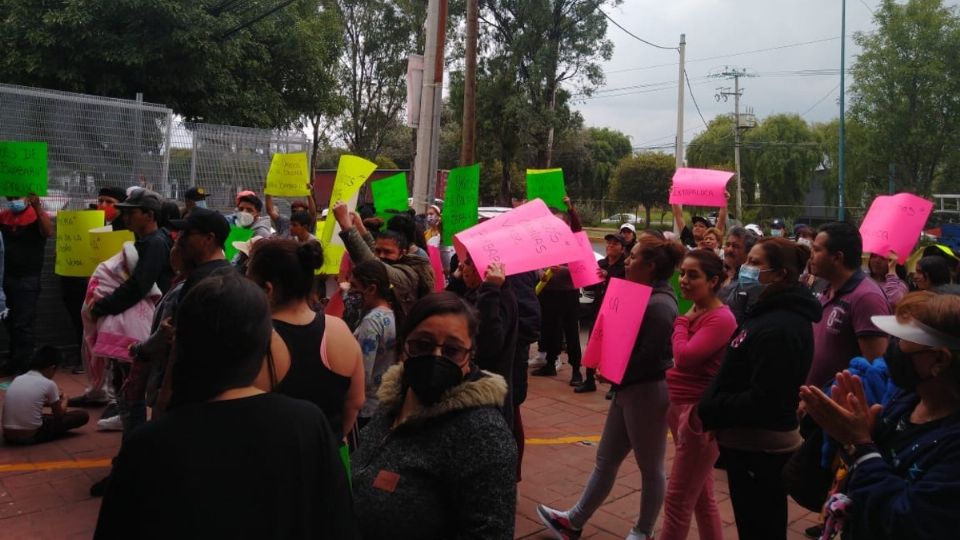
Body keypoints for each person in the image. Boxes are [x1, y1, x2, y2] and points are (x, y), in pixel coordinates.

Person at [94, 271, 358, 539]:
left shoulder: (147, 444)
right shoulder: (306, 424)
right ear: (265, 342)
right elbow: (338, 523)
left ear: (183, 346)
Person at [537, 235, 684, 540]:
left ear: (651, 266)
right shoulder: (640, 294)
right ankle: (573, 522)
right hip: (626, 388)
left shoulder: (659, 305)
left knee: (650, 466)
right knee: (606, 459)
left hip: (646, 392)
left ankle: (643, 531)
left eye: (634, 257)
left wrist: (616, 372)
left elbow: (651, 357)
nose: (628, 262)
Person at [351, 292, 517, 539]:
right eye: (422, 345)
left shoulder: (483, 434)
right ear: (404, 347)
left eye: (452, 350)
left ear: (469, 358)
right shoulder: (394, 401)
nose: (435, 357)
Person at [799, 292, 960, 540]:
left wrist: (861, 447)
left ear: (939, 359)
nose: (892, 348)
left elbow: (906, 521)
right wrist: (858, 436)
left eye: (902, 339)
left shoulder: (951, 444)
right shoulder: (907, 398)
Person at [698, 237, 822, 540]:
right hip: (744, 439)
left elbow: (766, 397)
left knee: (761, 526)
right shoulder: (765, 313)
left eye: (755, 263)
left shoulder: (781, 326)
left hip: (760, 445)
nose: (746, 268)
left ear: (780, 275)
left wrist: (713, 409)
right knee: (752, 522)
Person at [247, 238, 364, 441]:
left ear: (267, 289)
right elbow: (355, 401)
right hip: (327, 461)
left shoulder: (253, 337)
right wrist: (330, 441)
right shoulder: (339, 330)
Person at [661, 250, 737, 540]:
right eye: (683, 274)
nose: (684, 281)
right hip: (680, 407)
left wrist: (680, 324)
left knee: (677, 501)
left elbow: (685, 357)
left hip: (697, 415)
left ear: (714, 280)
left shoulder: (720, 318)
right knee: (702, 498)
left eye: (693, 275)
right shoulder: (696, 311)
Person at [807, 222, 891, 388]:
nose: (811, 256)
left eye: (817, 250)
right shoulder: (827, 288)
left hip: (838, 407)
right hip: (813, 404)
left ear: (837, 257)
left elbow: (875, 371)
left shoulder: (867, 297)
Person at [332, 202, 434, 314]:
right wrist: (360, 226)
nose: (381, 255)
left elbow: (374, 264)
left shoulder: (407, 274)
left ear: (403, 253)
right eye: (378, 251)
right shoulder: (396, 260)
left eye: (388, 252)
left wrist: (346, 226)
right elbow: (374, 252)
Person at [455, 258, 518, 428]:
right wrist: (456, 282)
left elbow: (489, 344)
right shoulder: (473, 292)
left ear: (481, 269)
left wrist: (490, 289)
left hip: (488, 389)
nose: (461, 266)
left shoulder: (498, 297)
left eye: (467, 263)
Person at [532, 196, 585, 385]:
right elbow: (537, 265)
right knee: (549, 328)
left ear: (567, 224)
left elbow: (581, 268)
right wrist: (541, 274)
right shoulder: (545, 242)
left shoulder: (573, 240)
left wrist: (571, 208)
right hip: (548, 291)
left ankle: (577, 371)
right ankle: (549, 363)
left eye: (560, 221)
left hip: (568, 293)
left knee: (571, 331)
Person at [0, 194, 53, 375]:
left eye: (18, 196)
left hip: (27, 278)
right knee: (10, 321)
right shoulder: (4, 216)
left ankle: (24, 365)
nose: (14, 200)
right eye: (11, 196)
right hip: (6, 277)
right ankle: (14, 361)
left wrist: (37, 206)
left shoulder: (36, 215)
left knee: (23, 323)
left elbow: (48, 232)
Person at [349, 260, 400, 429]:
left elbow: (363, 374)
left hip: (368, 408)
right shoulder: (394, 313)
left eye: (354, 286)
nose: (350, 291)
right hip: (388, 401)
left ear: (371, 289)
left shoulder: (371, 322)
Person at [2, 346, 89, 444]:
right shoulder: (48, 383)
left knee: (38, 416)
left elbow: (29, 403)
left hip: (8, 435)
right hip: (31, 436)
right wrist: (65, 399)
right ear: (52, 368)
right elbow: (59, 414)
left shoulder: (18, 379)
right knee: (81, 415)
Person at [577, 232, 628, 393]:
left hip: (616, 312)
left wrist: (608, 276)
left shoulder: (625, 267)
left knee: (613, 348)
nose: (610, 246)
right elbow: (592, 286)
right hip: (598, 310)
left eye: (615, 243)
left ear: (622, 248)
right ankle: (589, 379)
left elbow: (625, 287)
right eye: (609, 243)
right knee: (592, 344)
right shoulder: (601, 263)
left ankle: (614, 385)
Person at [717, 226, 761, 323]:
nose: (729, 249)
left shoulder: (749, 280)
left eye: (735, 246)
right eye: (727, 245)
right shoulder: (718, 271)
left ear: (748, 252)